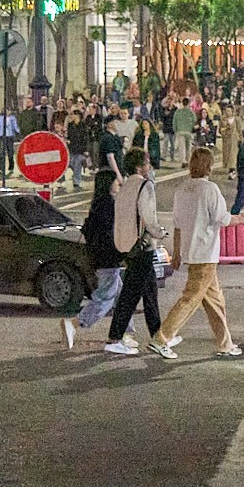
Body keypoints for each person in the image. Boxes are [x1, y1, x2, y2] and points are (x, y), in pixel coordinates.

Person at [155, 148, 240, 357]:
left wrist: (176, 254)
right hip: (206, 252)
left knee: (215, 300)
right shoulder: (209, 189)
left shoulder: (182, 190)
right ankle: (162, 337)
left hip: (190, 251)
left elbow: (177, 225)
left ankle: (225, 343)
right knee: (191, 298)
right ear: (209, 166)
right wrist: (240, 219)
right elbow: (222, 218)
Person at [104, 149, 170, 358]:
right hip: (143, 246)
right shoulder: (145, 185)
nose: (149, 166)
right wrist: (161, 233)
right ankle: (114, 338)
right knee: (130, 294)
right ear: (140, 166)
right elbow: (148, 217)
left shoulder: (124, 188)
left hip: (127, 245)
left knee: (150, 292)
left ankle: (157, 335)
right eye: (147, 162)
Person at [65, 168, 124, 348]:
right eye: (115, 181)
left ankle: (125, 332)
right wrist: (120, 252)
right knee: (105, 298)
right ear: (109, 184)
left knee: (121, 296)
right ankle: (74, 323)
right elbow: (109, 234)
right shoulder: (108, 204)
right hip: (108, 258)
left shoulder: (97, 204)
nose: (118, 184)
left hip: (100, 258)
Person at [0, 105, 21, 182]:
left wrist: (18, 132)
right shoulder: (0, 118)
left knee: (10, 152)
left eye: (8, 110)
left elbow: (15, 127)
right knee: (2, 153)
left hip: (10, 137)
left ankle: (11, 167)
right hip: (3, 137)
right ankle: (1, 168)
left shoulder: (12, 118)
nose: (7, 112)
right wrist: (0, 133)